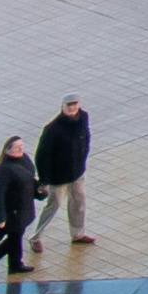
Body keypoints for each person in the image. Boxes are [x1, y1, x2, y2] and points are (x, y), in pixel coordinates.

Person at [32, 96, 92, 250]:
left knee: (79, 203)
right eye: (68, 105)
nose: (72, 107)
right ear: (62, 107)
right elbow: (41, 156)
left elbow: (86, 137)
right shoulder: (52, 129)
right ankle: (35, 237)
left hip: (77, 172)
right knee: (53, 206)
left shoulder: (83, 117)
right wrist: (44, 180)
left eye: (74, 104)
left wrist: (82, 158)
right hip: (58, 177)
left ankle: (78, 234)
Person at [0, 134, 39, 281]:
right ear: (7, 150)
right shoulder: (3, 170)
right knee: (15, 237)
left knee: (15, 237)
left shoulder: (24, 159)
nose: (21, 149)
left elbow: (30, 180)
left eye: (22, 146)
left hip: (24, 207)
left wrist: (39, 192)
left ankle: (14, 264)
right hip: (13, 212)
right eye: (17, 147)